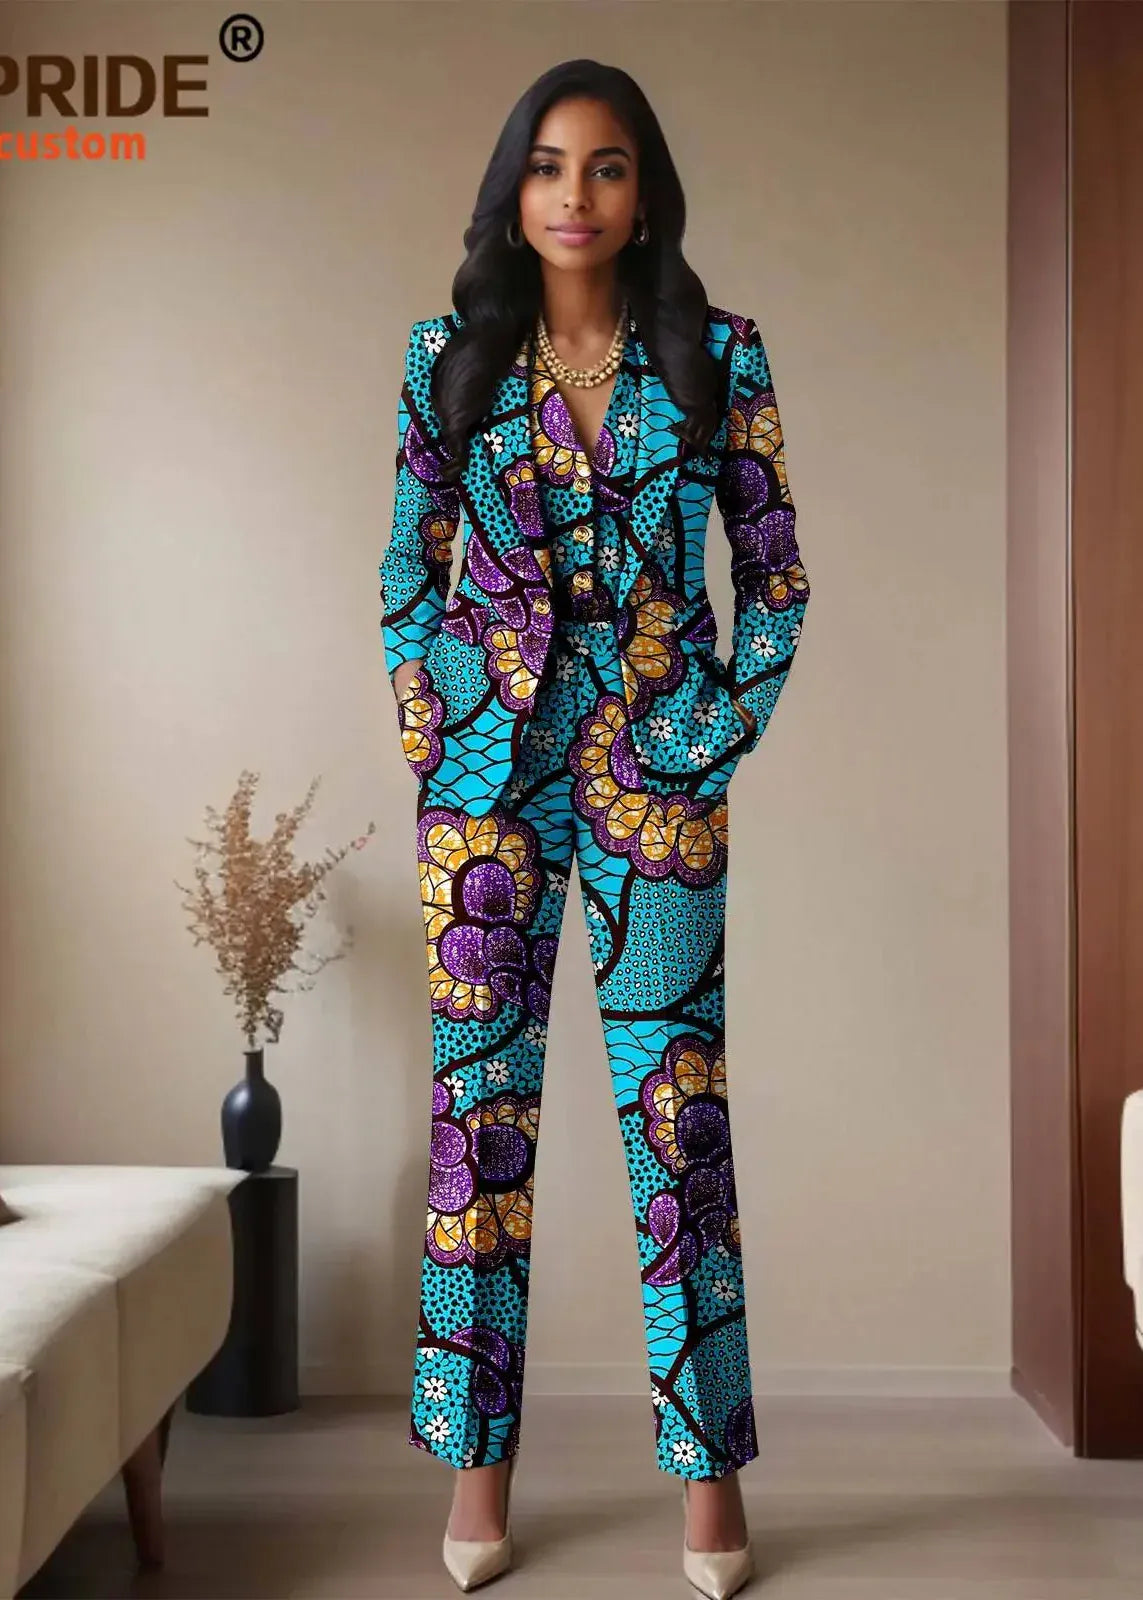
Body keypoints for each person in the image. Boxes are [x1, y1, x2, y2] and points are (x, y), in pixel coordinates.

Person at [378, 57, 809, 1599]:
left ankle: (711, 1495)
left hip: (655, 790)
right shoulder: (449, 360)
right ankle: (477, 1478)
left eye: (607, 167)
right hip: (484, 801)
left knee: (675, 1131)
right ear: (515, 189)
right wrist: (446, 742)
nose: (575, 195)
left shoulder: (721, 358)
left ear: (646, 193)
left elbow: (773, 577)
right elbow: (405, 579)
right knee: (476, 1135)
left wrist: (701, 743)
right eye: (549, 167)